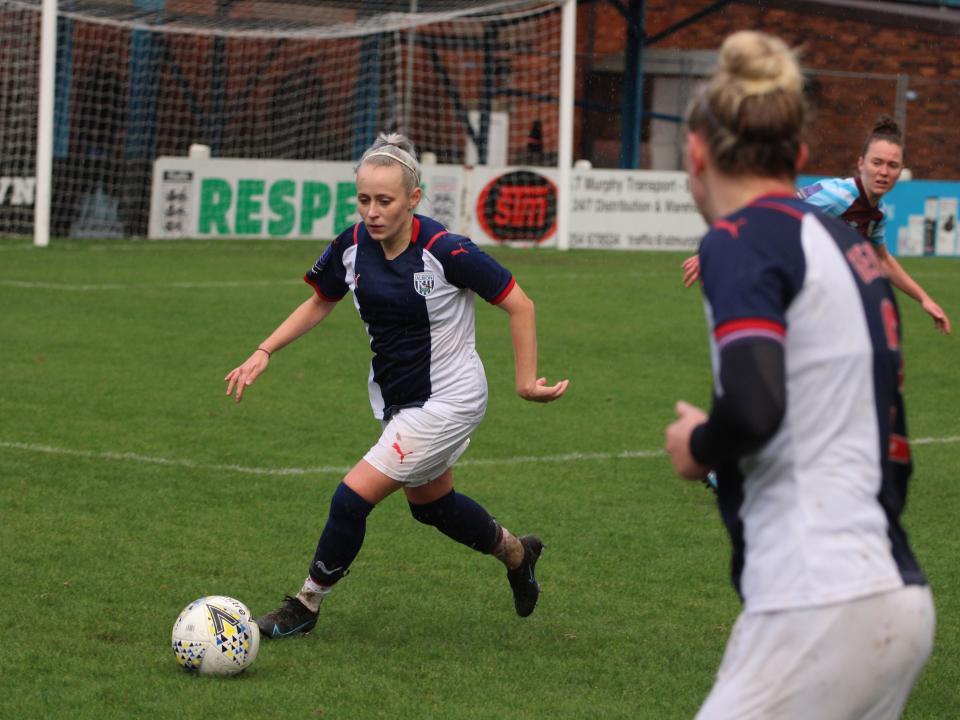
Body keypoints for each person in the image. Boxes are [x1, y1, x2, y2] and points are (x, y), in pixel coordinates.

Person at [664, 31, 934, 719]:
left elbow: (753, 407)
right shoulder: (853, 249)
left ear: (696, 153)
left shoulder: (737, 238)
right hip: (893, 587)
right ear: (802, 157)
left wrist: (697, 446)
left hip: (817, 598)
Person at [225, 132, 569, 638]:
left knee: (351, 498)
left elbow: (520, 303)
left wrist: (524, 382)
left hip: (451, 398)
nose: (372, 212)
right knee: (432, 507)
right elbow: (321, 300)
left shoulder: (446, 250)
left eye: (384, 200)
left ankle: (305, 604)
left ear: (413, 198)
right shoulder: (351, 245)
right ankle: (518, 554)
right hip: (399, 398)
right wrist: (264, 349)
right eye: (364, 199)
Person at [681, 118, 951, 335]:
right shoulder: (836, 195)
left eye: (892, 165)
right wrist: (720, 247)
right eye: (877, 162)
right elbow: (773, 210)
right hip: (786, 288)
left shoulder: (876, 215)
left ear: (901, 171)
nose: (883, 172)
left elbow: (881, 260)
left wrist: (924, 299)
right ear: (861, 163)